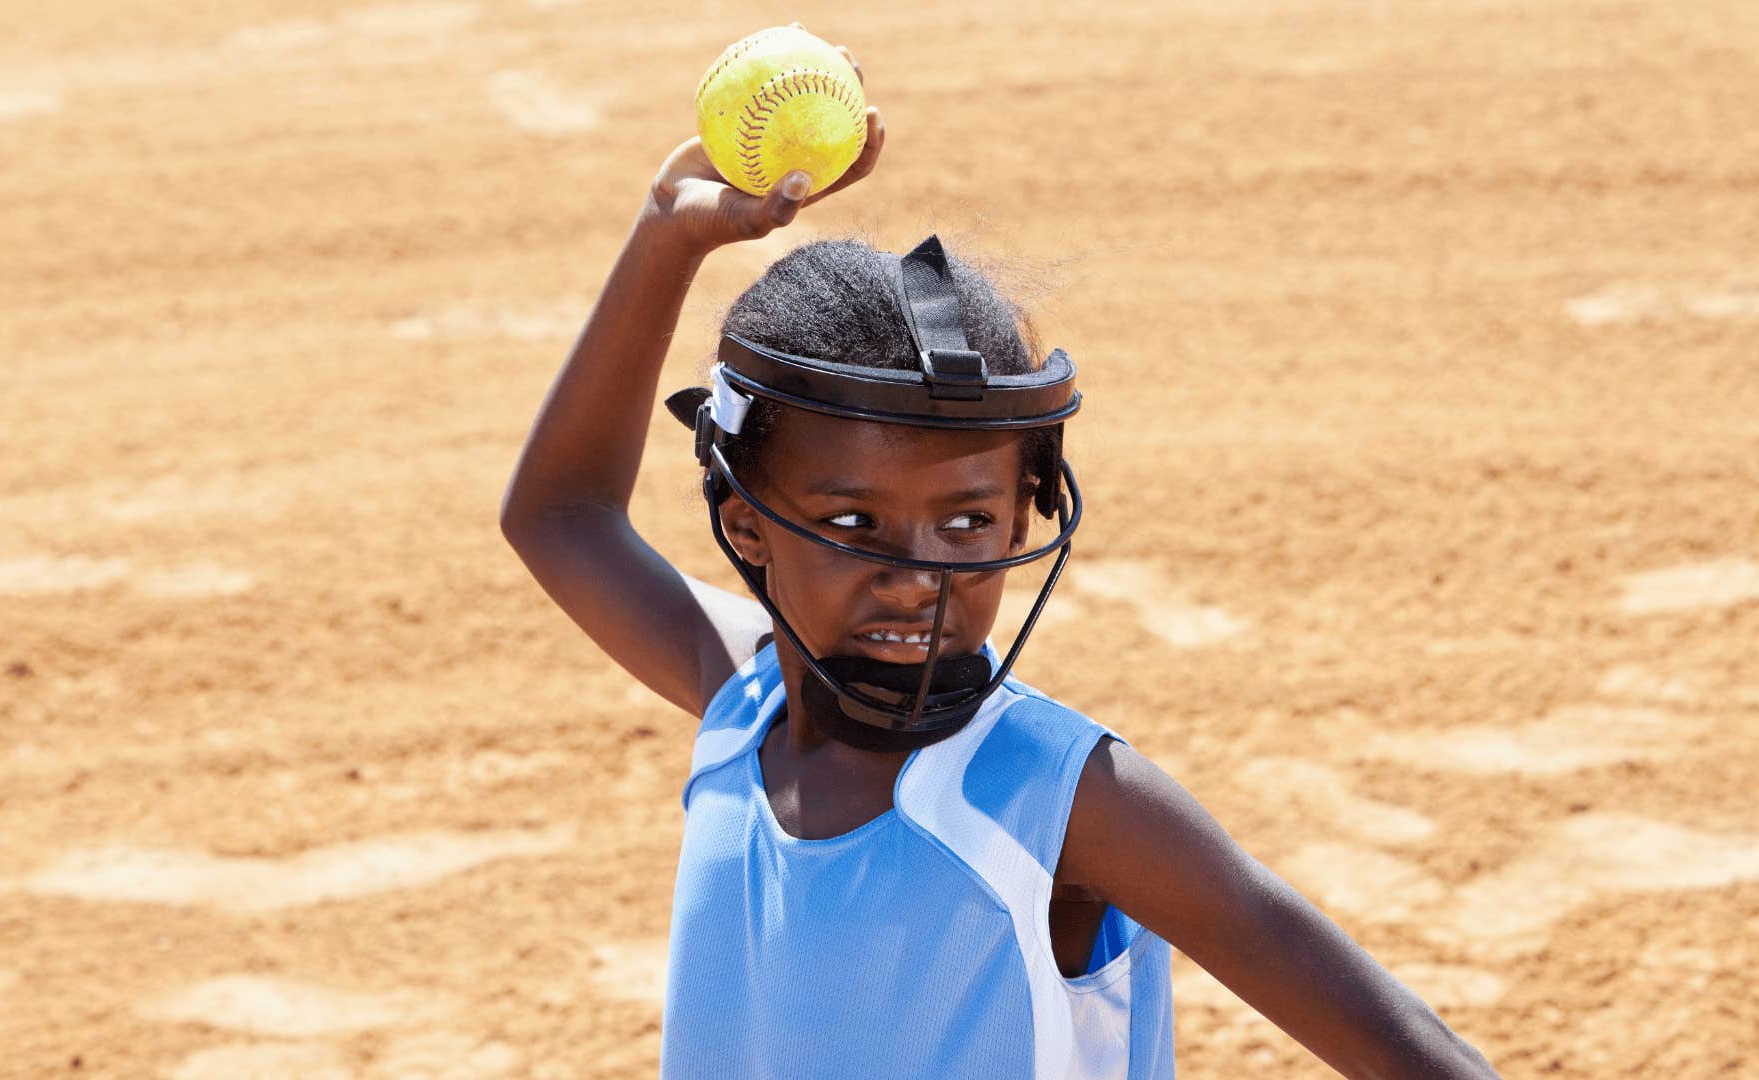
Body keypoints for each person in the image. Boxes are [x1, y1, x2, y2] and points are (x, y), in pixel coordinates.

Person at [500, 43, 1499, 1080]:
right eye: (853, 525)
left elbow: (1419, 1058)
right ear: (746, 524)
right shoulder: (743, 704)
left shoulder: (1064, 796)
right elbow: (560, 514)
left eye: (968, 525)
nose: (917, 574)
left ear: (1027, 510)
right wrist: (668, 236)